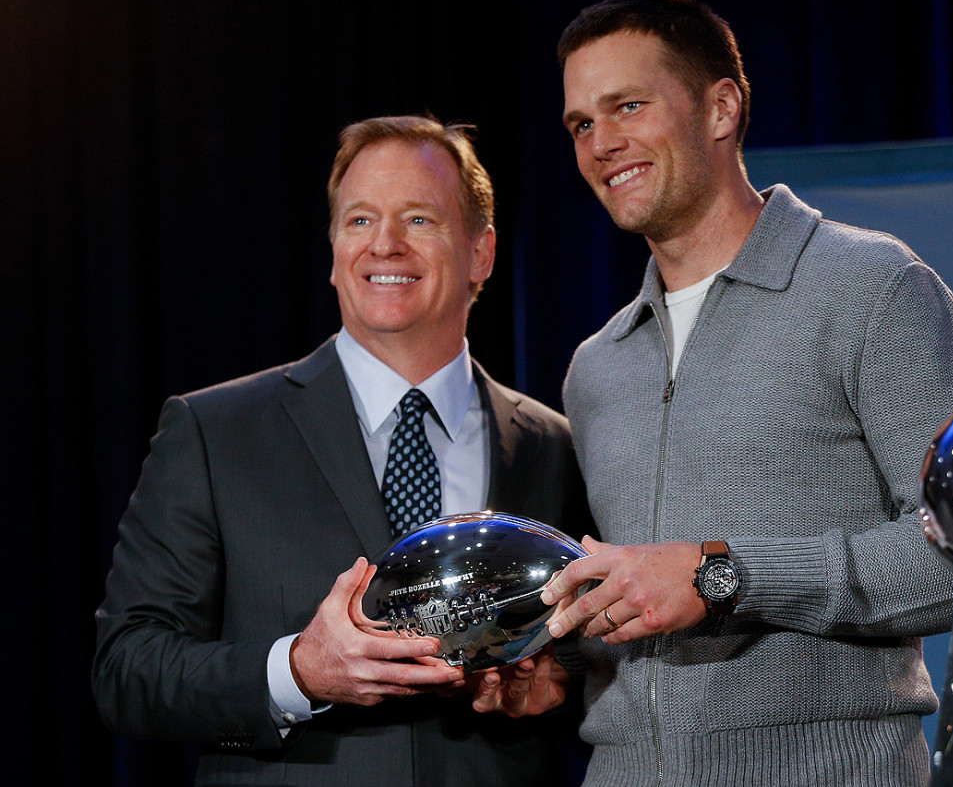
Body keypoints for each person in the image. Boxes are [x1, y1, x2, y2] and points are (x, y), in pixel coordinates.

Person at [535, 0, 953, 786]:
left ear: (721, 108)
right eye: (580, 124)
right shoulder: (597, 366)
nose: (602, 143)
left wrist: (724, 576)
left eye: (628, 106)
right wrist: (553, 663)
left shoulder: (872, 287)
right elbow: (640, 622)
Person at [93, 115, 590, 786]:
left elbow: (592, 654)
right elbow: (126, 669)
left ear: (481, 252)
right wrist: (298, 671)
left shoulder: (555, 446)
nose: (384, 244)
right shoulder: (213, 431)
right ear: (333, 252)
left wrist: (556, 684)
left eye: (418, 219)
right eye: (359, 220)